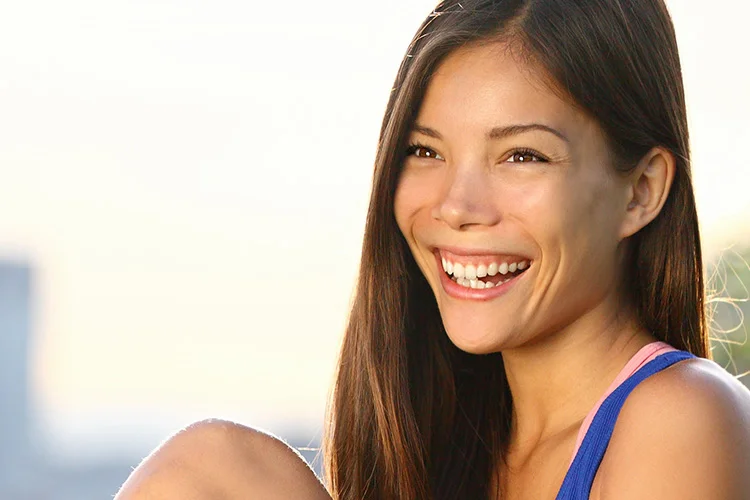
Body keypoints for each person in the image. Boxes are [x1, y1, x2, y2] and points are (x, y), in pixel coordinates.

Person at [115, 0, 750, 498]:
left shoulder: (680, 420)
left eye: (521, 155)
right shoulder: (442, 446)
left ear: (640, 192)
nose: (455, 206)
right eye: (425, 151)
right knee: (209, 468)